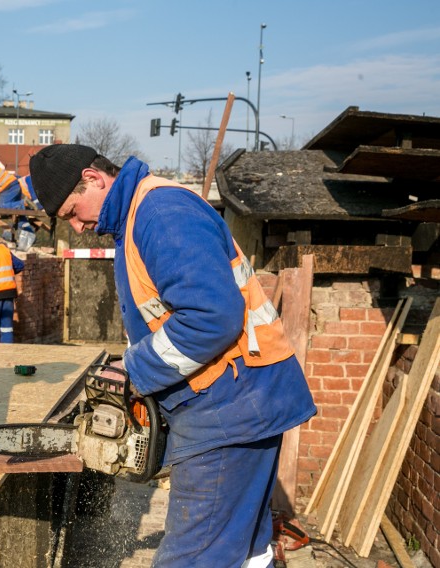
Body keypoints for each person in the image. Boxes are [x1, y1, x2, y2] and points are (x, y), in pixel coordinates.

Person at [29, 144, 316, 568]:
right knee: (246, 554)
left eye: (73, 211)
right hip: (240, 402)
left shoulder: (159, 213)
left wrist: (135, 371)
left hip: (226, 411)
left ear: (94, 178)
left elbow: (211, 318)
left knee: (191, 559)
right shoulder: (138, 217)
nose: (76, 226)